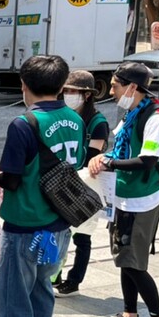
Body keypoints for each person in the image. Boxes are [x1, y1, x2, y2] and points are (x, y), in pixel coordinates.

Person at [0, 55, 83, 317]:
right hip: (59, 224)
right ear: (62, 86)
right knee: (41, 288)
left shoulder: (24, 123)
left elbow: (12, 179)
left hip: (26, 225)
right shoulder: (74, 119)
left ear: (23, 85)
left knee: (13, 298)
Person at [87, 63, 159, 317]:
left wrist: (109, 163)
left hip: (142, 198)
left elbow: (148, 160)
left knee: (133, 262)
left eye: (115, 85)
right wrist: (105, 157)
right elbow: (121, 148)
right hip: (124, 195)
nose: (111, 91)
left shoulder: (156, 118)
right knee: (124, 258)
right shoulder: (134, 112)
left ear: (132, 87)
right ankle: (129, 313)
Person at [55, 70, 110, 297]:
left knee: (82, 235)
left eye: (74, 91)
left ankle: (74, 281)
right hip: (60, 182)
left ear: (87, 95)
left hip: (85, 183)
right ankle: (55, 276)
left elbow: (92, 158)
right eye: (66, 90)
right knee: (58, 232)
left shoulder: (97, 122)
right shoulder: (62, 116)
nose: (68, 95)